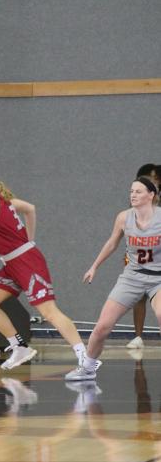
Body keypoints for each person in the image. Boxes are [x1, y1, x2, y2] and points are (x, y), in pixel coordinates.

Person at [0, 165, 86, 372]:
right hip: (12, 264)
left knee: (50, 312)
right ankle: (19, 346)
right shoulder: (3, 199)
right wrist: (29, 239)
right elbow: (30, 208)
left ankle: (85, 357)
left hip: (26, 262)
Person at [66, 177, 161, 380]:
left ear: (151, 195)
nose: (133, 195)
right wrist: (94, 266)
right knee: (102, 327)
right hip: (132, 277)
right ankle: (88, 367)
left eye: (138, 191)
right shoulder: (123, 218)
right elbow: (111, 244)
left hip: (158, 278)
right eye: (131, 191)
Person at [126, 163, 161, 349]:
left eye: (155, 177)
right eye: (148, 176)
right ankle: (138, 337)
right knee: (139, 295)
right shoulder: (138, 199)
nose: (152, 180)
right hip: (141, 251)